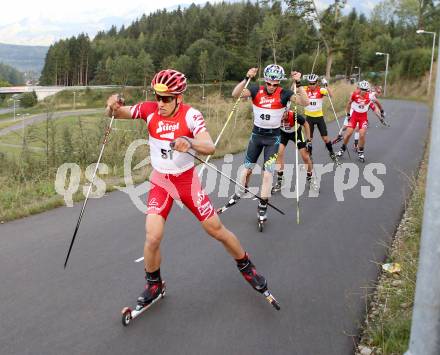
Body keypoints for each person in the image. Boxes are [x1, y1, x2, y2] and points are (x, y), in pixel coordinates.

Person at [105, 69, 270, 307]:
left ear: (178, 98)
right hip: (161, 181)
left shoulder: (191, 116)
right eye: (157, 96)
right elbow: (115, 113)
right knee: (152, 237)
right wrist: (111, 104)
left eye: (166, 98)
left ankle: (247, 266)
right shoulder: (149, 109)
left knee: (215, 230)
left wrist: (190, 142)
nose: (160, 103)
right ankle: (154, 284)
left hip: (185, 181)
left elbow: (209, 145)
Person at [225, 64, 308, 222]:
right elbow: (235, 94)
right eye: (269, 83)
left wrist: (299, 83)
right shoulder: (256, 90)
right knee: (246, 171)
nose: (271, 86)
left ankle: (263, 206)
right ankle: (242, 190)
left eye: (275, 84)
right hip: (256, 137)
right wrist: (246, 78)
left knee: (268, 174)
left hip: (273, 139)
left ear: (279, 83)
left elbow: (305, 102)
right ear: (265, 80)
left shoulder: (284, 94)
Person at [335, 80, 383, 162]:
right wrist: (348, 114)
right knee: (348, 134)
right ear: (359, 89)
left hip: (363, 118)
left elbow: (374, 106)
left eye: (366, 90)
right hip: (354, 117)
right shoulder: (354, 95)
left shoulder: (370, 96)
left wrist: (380, 116)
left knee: (362, 134)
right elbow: (349, 104)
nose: (364, 91)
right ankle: (342, 150)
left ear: (368, 89)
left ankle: (360, 152)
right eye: (362, 89)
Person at [272, 109, 317, 192]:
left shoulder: (294, 115)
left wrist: (309, 140)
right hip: (283, 134)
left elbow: (306, 124)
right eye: (280, 115)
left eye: (283, 115)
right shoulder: (275, 116)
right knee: (279, 153)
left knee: (305, 157)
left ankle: (310, 178)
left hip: (296, 133)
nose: (281, 117)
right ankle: (280, 180)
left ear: (287, 111)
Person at [303, 74, 338, 162]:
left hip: (319, 117)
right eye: (310, 83)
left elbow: (331, 95)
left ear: (317, 83)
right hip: (309, 118)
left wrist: (326, 85)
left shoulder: (321, 90)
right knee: (309, 139)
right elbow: (293, 90)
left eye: (313, 83)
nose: (311, 85)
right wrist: (295, 82)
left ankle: (331, 152)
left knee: (325, 138)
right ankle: (309, 156)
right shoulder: (304, 89)